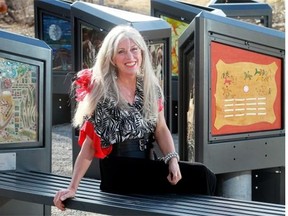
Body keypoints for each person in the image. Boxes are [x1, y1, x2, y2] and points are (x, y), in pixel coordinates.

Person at [53, 25, 216, 211]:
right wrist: (72, 187)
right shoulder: (102, 92)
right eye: (121, 52)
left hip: (146, 166)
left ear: (142, 52)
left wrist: (172, 159)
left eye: (134, 49)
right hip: (119, 172)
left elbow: (161, 128)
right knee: (201, 176)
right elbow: (89, 147)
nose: (130, 57)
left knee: (201, 177)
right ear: (112, 58)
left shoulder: (150, 87)